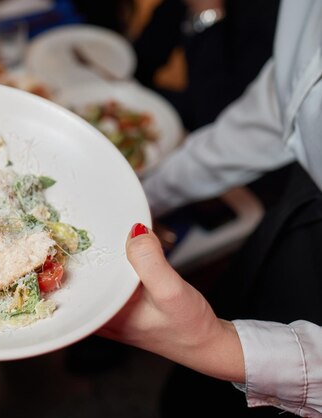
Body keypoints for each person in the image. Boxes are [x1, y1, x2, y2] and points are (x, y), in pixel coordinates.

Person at [99, 1, 322, 417]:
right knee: (190, 398)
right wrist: (144, 194)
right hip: (292, 220)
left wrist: (218, 347)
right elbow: (275, 111)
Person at [133, 0, 279, 131]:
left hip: (226, 129)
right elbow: (143, 60)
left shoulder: (266, 19)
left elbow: (213, 116)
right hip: (195, 110)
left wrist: (209, 14)